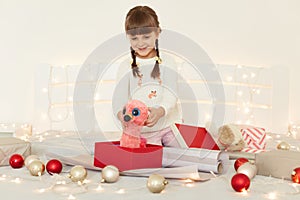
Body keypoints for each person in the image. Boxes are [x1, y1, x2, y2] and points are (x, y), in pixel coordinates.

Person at [113, 5, 182, 147]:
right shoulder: (126, 66)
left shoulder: (167, 61)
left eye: (146, 36)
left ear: (157, 33)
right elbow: (119, 98)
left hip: (170, 126)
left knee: (182, 155)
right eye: (134, 38)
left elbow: (171, 93)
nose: (140, 43)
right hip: (142, 132)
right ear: (128, 37)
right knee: (151, 162)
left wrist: (161, 110)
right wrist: (122, 115)